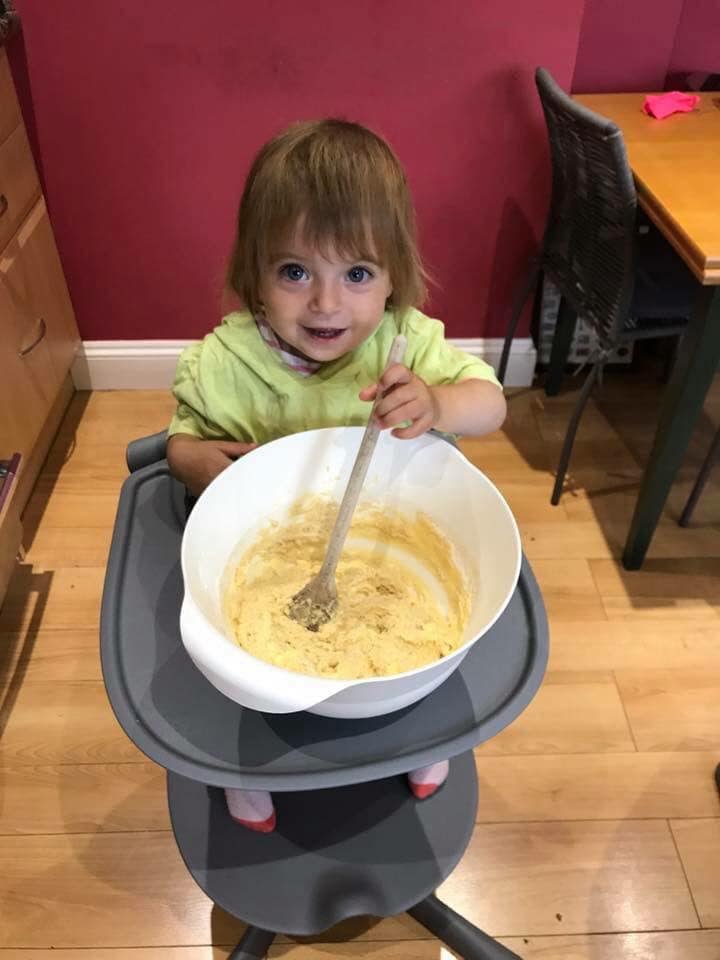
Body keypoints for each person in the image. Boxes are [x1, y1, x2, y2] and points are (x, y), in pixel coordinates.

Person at [167, 118, 506, 832]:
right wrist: (194, 460)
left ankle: (419, 742)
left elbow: (492, 404)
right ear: (254, 276)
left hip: (386, 577)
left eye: (357, 274)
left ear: (394, 281)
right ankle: (245, 768)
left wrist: (439, 400)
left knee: (414, 693)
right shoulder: (228, 365)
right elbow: (182, 441)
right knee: (241, 682)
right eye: (294, 272)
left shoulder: (405, 347)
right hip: (270, 597)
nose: (325, 304)